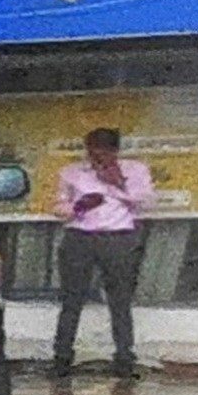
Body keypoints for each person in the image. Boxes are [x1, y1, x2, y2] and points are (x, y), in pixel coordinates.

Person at [50, 120, 151, 381]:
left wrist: (118, 184)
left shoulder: (135, 169)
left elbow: (145, 200)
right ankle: (61, 358)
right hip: (80, 237)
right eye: (93, 151)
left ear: (115, 151)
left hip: (119, 238)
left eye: (104, 151)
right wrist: (79, 206)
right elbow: (58, 207)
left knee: (120, 300)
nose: (97, 157)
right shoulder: (72, 172)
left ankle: (124, 359)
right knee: (72, 299)